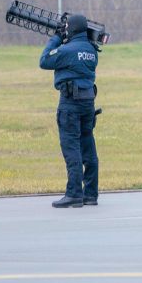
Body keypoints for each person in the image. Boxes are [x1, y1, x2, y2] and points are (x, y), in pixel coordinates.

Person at [39, 14, 100, 207]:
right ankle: (90, 194)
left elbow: (44, 61)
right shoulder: (92, 50)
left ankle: (74, 194)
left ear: (71, 30)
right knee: (88, 145)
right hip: (88, 103)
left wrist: (57, 37)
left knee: (71, 147)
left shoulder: (67, 50)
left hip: (70, 104)